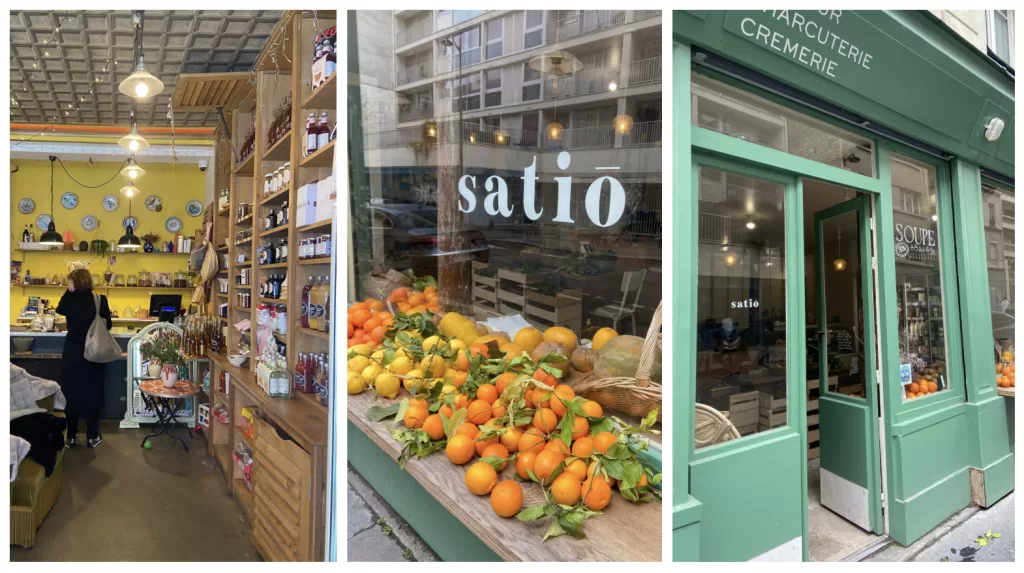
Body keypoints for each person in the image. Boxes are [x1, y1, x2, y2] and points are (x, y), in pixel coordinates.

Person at [56, 269, 112, 448]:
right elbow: (108, 325)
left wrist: (69, 290)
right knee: (93, 393)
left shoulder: (69, 299)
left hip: (72, 352)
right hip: (94, 353)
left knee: (70, 393)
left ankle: (71, 436)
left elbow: (59, 309)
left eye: (69, 281)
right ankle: (92, 436)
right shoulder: (99, 299)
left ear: (73, 282)